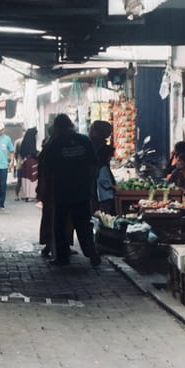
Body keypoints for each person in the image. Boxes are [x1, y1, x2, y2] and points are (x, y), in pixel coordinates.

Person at [41, 113, 102, 267]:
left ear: (57, 128)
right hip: (81, 190)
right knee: (84, 224)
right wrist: (89, 182)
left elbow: (47, 167)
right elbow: (94, 163)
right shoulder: (84, 140)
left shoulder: (55, 143)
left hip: (62, 191)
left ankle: (62, 258)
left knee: (60, 225)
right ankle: (92, 253)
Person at [14, 127, 39, 201]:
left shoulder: (24, 143)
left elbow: (20, 153)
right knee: (31, 179)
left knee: (24, 179)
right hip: (30, 164)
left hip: (23, 164)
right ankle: (30, 195)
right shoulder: (20, 141)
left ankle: (25, 195)